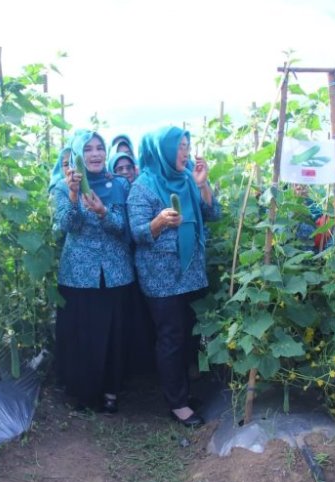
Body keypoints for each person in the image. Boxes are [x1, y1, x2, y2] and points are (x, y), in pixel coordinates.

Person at [127, 126, 221, 427]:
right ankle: (177, 403)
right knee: (171, 336)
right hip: (162, 277)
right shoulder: (144, 186)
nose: (186, 152)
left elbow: (212, 214)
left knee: (188, 334)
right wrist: (158, 223)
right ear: (164, 150)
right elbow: (138, 233)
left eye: (187, 145)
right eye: (180, 146)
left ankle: (184, 391)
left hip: (191, 272)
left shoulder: (188, 178)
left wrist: (203, 185)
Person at [52, 130, 134, 413]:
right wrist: (75, 195)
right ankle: (84, 393)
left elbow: (125, 228)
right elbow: (65, 227)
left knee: (113, 334)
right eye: (88, 149)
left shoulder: (119, 185)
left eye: (100, 148)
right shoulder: (62, 188)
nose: (96, 154)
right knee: (83, 335)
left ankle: (112, 391)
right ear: (77, 155)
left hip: (115, 272)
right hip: (79, 274)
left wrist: (102, 212)